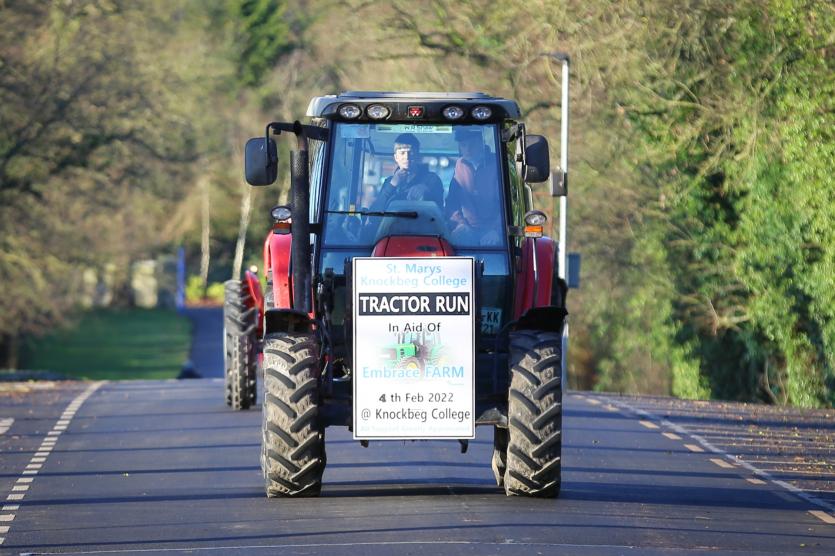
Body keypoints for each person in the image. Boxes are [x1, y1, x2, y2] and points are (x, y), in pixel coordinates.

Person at [445, 128, 501, 245]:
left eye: (472, 144)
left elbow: (507, 205)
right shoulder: (460, 165)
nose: (468, 149)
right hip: (467, 229)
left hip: (494, 232)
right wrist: (460, 223)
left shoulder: (498, 163)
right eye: (464, 145)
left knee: (495, 261)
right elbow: (452, 202)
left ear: (481, 142)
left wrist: (496, 230)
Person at [370, 133, 444, 211]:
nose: (406, 157)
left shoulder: (432, 179)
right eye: (402, 153)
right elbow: (375, 215)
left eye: (411, 152)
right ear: (396, 157)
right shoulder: (389, 182)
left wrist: (427, 193)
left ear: (417, 155)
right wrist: (392, 185)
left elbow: (439, 211)